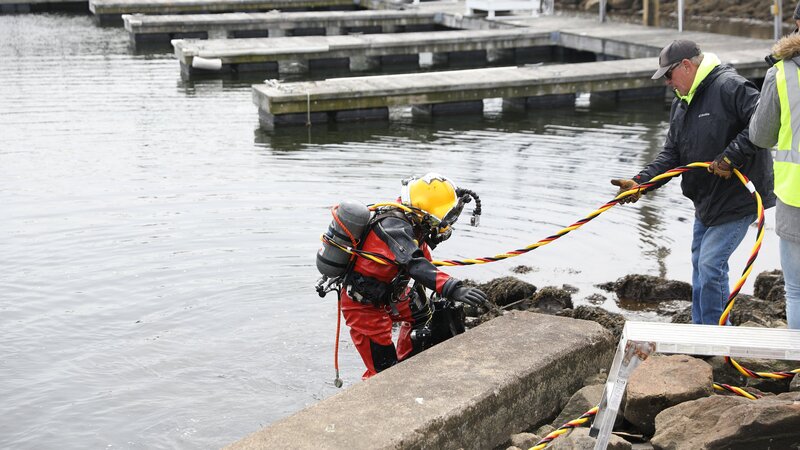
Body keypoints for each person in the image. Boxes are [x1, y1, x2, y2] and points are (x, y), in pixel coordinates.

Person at [611, 40, 775, 325]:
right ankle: (701, 332)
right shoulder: (681, 102)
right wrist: (641, 183)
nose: (667, 83)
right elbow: (671, 155)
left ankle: (712, 339)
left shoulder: (730, 86)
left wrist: (731, 157)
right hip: (706, 200)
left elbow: (763, 124)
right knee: (700, 267)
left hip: (738, 197)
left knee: (711, 265)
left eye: (668, 75)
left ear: (686, 66)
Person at [340, 173, 491, 379]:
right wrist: (453, 288)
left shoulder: (412, 225)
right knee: (383, 372)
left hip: (391, 292)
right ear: (428, 215)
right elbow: (416, 264)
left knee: (424, 314)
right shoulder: (393, 228)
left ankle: (406, 363)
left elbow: (420, 261)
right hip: (364, 307)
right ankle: (379, 389)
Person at [747, 22, 800, 330]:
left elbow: (760, 136)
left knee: (796, 290)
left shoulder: (781, 73)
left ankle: (797, 369)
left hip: (795, 195)